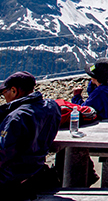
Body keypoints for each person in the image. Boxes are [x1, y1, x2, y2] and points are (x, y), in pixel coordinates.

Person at [0, 71, 61, 200]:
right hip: (37, 170)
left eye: (4, 93)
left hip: (13, 179)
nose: (4, 98)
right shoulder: (52, 106)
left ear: (14, 90)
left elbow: (3, 155)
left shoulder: (16, 118)